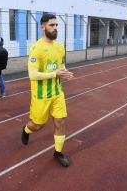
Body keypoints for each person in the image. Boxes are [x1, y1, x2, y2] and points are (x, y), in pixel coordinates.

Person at [21, 14, 73, 167]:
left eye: (57, 25)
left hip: (57, 92)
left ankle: (58, 152)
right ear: (43, 27)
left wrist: (65, 72)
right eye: (52, 25)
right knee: (38, 125)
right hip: (41, 95)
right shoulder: (36, 48)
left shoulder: (59, 47)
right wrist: (55, 73)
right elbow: (32, 75)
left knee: (60, 121)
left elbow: (60, 66)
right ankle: (26, 130)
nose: (55, 28)